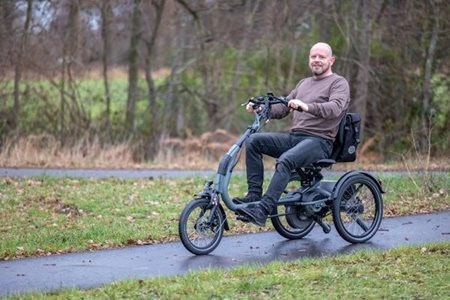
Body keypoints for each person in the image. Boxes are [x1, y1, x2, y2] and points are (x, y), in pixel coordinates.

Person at [235, 42, 350, 226]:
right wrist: (261, 108)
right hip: (295, 138)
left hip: (320, 141)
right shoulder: (303, 84)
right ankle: (253, 196)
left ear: (331, 60)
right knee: (254, 141)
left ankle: (262, 210)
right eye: (314, 57)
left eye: (321, 57)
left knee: (286, 160)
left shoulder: (338, 83)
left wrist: (306, 106)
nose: (317, 60)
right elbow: (282, 108)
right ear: (309, 59)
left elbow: (335, 108)